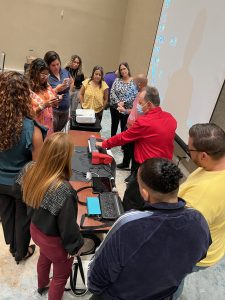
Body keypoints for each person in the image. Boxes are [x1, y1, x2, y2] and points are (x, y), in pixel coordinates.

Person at [87, 158, 211, 300]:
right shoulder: (199, 220)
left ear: (145, 193)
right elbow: (199, 256)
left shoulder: (129, 224)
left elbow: (96, 280)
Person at [18, 132, 84, 300]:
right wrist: (75, 248)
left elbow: (17, 192)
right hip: (54, 241)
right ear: (66, 157)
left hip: (35, 230)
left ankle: (42, 285)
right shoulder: (64, 190)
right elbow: (68, 228)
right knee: (60, 277)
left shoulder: (30, 169)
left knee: (44, 256)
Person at [96, 85, 177, 210]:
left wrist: (104, 144)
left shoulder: (144, 122)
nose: (138, 106)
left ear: (149, 104)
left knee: (131, 200)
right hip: (164, 168)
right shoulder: (170, 118)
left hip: (145, 169)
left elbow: (123, 137)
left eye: (140, 103)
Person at [174, 123, 225, 298]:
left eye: (190, 151)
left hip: (194, 253)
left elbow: (183, 235)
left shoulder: (204, 195)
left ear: (203, 155)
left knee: (172, 280)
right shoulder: (215, 168)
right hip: (215, 245)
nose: (188, 153)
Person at [0, 71, 44, 263]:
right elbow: (37, 167)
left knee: (6, 216)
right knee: (22, 220)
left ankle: (11, 246)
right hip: (22, 185)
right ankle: (21, 251)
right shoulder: (31, 129)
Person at [117, 74, 148, 173]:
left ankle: (133, 174)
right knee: (126, 147)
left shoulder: (146, 97)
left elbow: (145, 114)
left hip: (136, 129)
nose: (133, 85)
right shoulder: (139, 94)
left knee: (134, 152)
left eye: (134, 83)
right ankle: (125, 163)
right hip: (129, 126)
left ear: (139, 84)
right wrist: (124, 110)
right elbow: (134, 110)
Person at [28, 58, 60, 136]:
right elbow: (27, 114)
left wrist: (56, 101)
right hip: (36, 129)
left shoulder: (47, 85)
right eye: (42, 74)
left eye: (47, 74)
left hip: (49, 127)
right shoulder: (27, 90)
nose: (45, 77)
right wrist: (44, 105)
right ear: (34, 73)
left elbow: (53, 100)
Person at [109, 62, 137, 144]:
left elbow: (134, 95)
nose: (122, 71)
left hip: (126, 109)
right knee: (114, 124)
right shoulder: (117, 80)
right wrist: (118, 103)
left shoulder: (133, 82)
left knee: (123, 126)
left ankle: (122, 144)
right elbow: (112, 92)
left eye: (124, 68)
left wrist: (123, 103)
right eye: (121, 69)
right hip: (115, 107)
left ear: (128, 69)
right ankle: (112, 142)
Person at [44, 51, 72, 132]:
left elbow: (72, 81)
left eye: (58, 64)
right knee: (52, 133)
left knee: (60, 133)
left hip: (66, 109)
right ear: (48, 65)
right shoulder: (46, 77)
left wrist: (68, 90)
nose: (56, 67)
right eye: (53, 65)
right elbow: (43, 95)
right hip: (53, 110)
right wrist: (56, 90)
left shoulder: (65, 72)